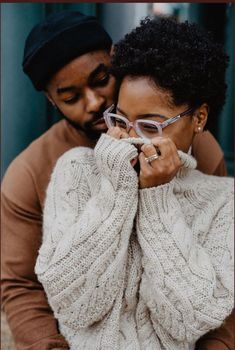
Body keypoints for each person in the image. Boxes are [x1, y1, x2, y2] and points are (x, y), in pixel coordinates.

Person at [1, 11, 233, 350]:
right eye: (70, 97)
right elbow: (22, 286)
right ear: (52, 101)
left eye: (101, 79)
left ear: (116, 61)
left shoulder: (203, 151)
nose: (95, 102)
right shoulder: (34, 171)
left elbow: (214, 292)